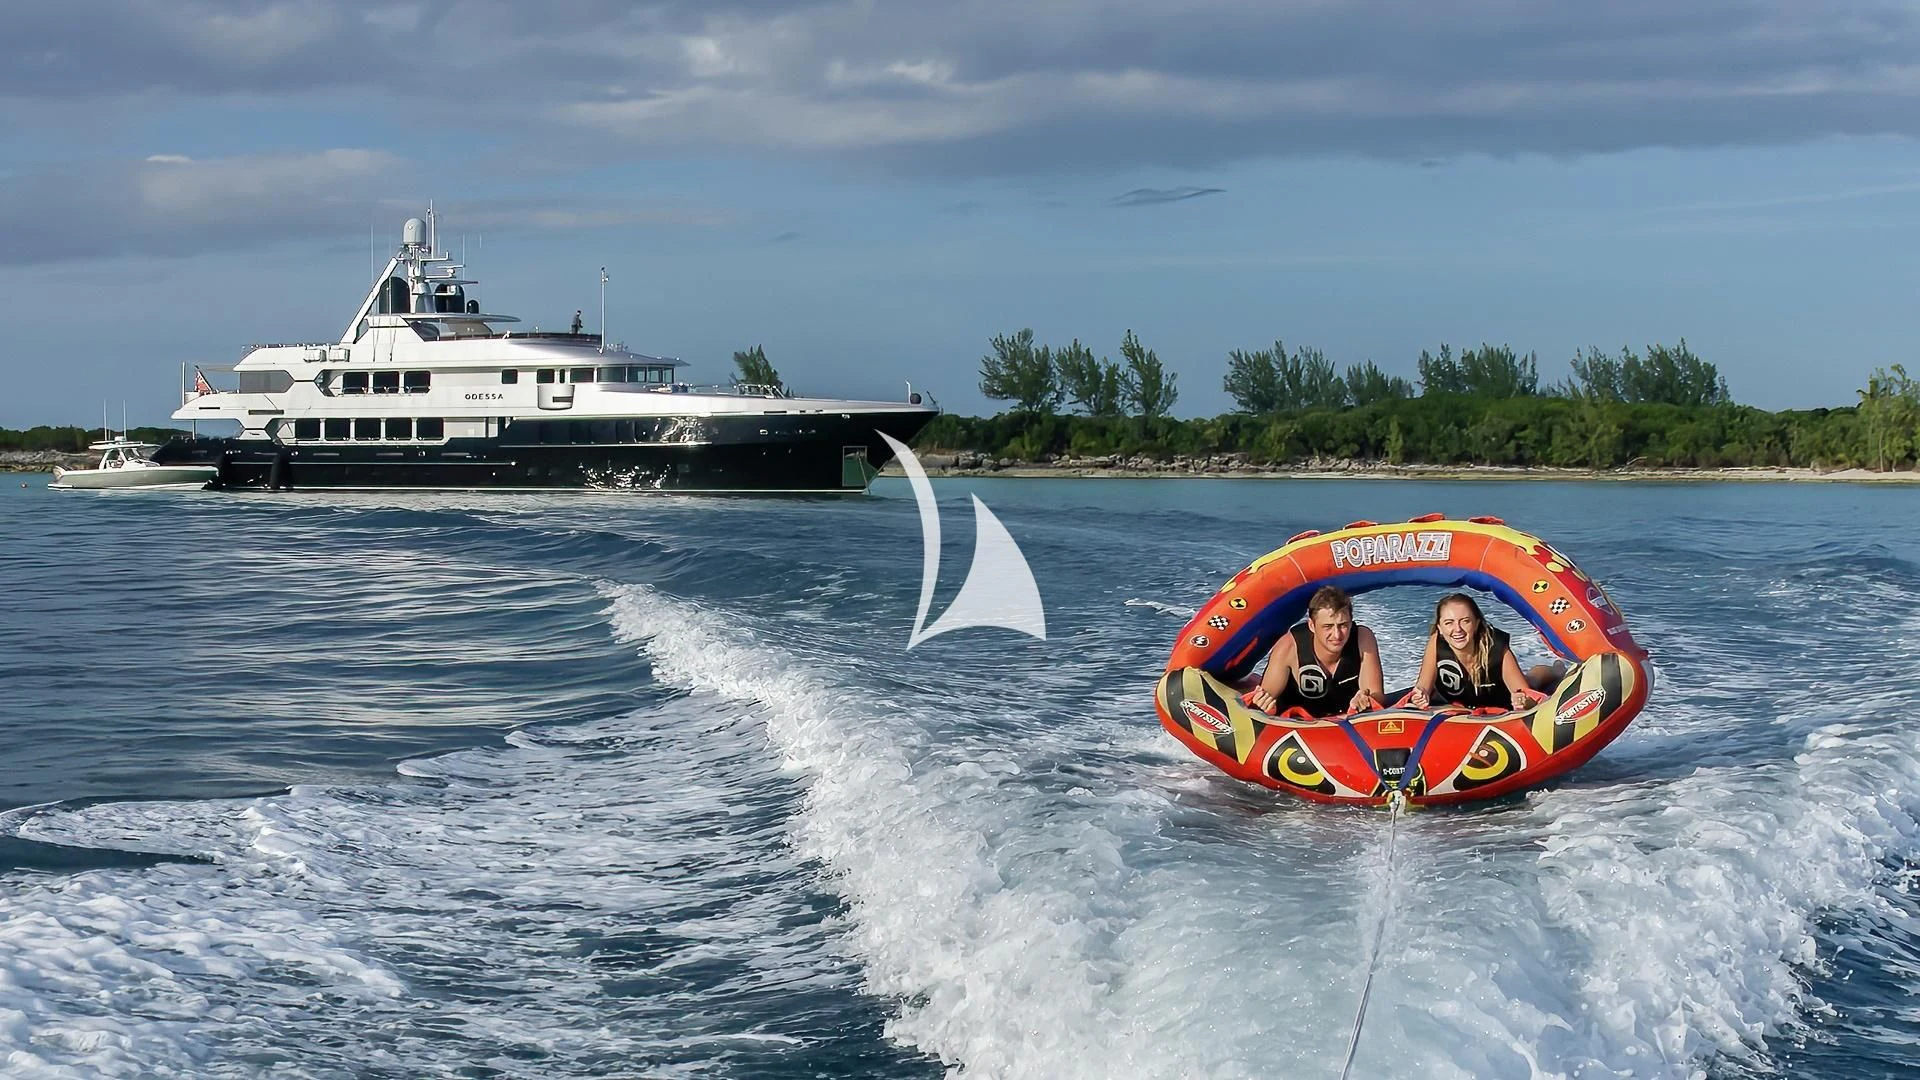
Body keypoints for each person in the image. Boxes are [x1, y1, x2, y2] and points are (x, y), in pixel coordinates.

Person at [1245, 585, 1385, 717]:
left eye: (1343, 625)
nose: (1337, 635)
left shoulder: (1363, 639)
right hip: (1297, 724)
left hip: (1347, 722)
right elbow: (1263, 701)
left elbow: (1376, 697)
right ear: (1312, 626)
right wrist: (1264, 707)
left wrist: (1364, 702)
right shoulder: (1288, 647)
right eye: (1328, 626)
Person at [1406, 593, 1562, 712]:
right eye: (1449, 623)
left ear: (1476, 623)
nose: (1457, 629)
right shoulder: (1436, 643)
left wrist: (1522, 699)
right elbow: (1423, 686)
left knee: (1532, 682)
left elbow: (1523, 692)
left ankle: (1557, 670)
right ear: (1439, 628)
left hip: (1500, 698)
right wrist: (1421, 695)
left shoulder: (1496, 646)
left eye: (1465, 621)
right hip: (1459, 703)